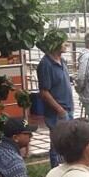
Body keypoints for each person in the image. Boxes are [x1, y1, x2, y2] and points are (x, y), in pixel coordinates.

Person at [36, 29, 74, 167]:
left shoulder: (62, 61)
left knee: (67, 143)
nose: (67, 44)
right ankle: (56, 172)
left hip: (68, 109)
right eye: (64, 41)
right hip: (58, 113)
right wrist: (60, 110)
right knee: (57, 144)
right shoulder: (45, 64)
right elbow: (44, 92)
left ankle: (66, 169)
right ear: (56, 43)